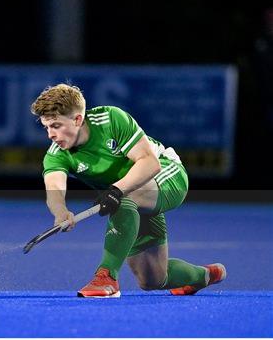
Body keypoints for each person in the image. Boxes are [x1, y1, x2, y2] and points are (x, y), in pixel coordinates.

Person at [30, 83, 226, 298]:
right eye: (46, 127)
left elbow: (150, 163)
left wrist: (116, 190)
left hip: (166, 175)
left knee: (123, 197)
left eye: (56, 125)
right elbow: (55, 189)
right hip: (130, 198)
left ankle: (106, 277)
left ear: (77, 119)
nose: (50, 134)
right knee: (152, 279)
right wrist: (60, 212)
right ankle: (203, 275)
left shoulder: (111, 119)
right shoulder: (56, 154)